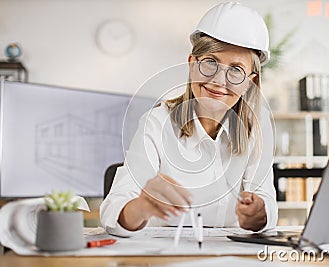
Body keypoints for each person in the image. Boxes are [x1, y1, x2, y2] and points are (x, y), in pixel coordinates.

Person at [100, 2, 278, 237]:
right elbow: (114, 209)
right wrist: (141, 206)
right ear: (192, 64)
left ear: (250, 83)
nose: (218, 80)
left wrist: (259, 214)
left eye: (236, 70)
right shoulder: (157, 121)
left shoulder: (257, 129)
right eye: (210, 62)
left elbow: (266, 204)